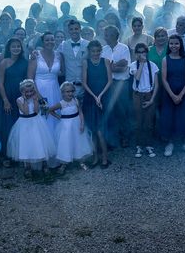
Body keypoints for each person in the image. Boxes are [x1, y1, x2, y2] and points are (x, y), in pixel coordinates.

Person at [7, 79, 57, 177]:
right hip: (24, 123)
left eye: (31, 91)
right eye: (27, 92)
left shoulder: (35, 98)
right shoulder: (19, 100)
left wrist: (35, 100)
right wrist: (25, 100)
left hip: (35, 122)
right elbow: (25, 112)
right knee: (26, 144)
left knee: (39, 143)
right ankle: (27, 166)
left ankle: (44, 164)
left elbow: (36, 111)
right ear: (22, 92)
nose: (29, 93)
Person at [159, 34, 185, 156]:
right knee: (169, 117)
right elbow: (164, 79)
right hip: (169, 93)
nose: (174, 46)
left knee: (184, 117)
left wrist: (180, 95)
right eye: (171, 43)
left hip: (184, 92)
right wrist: (172, 95)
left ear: (180, 45)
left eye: (176, 43)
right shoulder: (165, 59)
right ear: (168, 45)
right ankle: (170, 143)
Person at [49, 81, 92, 173]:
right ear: (62, 93)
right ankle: (64, 163)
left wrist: (82, 123)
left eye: (72, 91)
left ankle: (81, 161)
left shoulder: (76, 100)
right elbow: (50, 110)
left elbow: (80, 112)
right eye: (67, 92)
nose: (70, 93)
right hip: (66, 126)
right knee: (66, 143)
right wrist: (59, 117)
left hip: (76, 124)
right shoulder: (61, 103)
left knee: (78, 142)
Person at [82, 39, 112, 168]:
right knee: (92, 130)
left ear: (101, 51)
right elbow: (84, 82)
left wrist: (99, 96)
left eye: (98, 51)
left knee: (100, 129)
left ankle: (105, 157)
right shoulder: (85, 63)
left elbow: (110, 81)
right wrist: (94, 96)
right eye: (93, 51)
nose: (95, 53)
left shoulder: (105, 61)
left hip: (103, 98)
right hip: (90, 98)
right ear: (89, 51)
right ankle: (95, 157)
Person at [0, 37, 28, 160]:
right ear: (9, 48)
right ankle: (7, 155)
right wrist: (5, 100)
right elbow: (0, 83)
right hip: (8, 97)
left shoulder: (25, 62)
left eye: (18, 46)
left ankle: (21, 153)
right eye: (13, 46)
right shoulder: (4, 62)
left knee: (21, 125)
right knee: (8, 126)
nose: (16, 48)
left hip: (21, 97)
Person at [102, 25, 132, 150]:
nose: (105, 37)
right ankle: (112, 139)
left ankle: (125, 136)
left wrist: (111, 66)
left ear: (114, 35)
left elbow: (125, 67)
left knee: (122, 111)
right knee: (109, 111)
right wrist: (115, 66)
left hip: (121, 85)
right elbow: (104, 68)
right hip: (108, 84)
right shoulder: (104, 49)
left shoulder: (124, 48)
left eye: (107, 35)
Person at [130, 43, 159, 158]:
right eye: (139, 52)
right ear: (136, 54)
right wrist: (141, 64)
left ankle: (148, 144)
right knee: (138, 121)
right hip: (137, 94)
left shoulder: (153, 65)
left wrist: (152, 99)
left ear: (147, 52)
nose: (142, 54)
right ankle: (139, 145)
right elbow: (136, 77)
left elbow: (156, 85)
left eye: (143, 52)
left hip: (149, 94)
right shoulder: (133, 65)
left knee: (149, 122)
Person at [57, 20, 89, 100]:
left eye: (76, 29)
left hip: (84, 84)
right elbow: (54, 56)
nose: (74, 31)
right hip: (69, 86)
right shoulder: (63, 45)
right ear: (68, 31)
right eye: (71, 29)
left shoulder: (88, 44)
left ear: (80, 30)